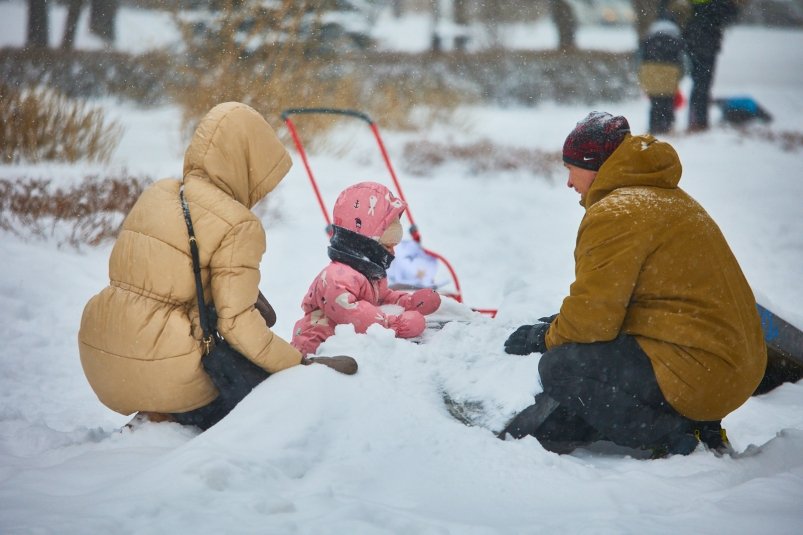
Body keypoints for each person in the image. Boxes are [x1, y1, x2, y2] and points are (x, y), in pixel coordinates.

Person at [499, 112, 766, 457]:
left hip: (700, 374)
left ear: (593, 165)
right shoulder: (665, 197)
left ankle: (678, 435)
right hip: (730, 368)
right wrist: (559, 324)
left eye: (570, 169)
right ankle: (693, 419)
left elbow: (595, 317)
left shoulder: (618, 211)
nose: (568, 182)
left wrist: (544, 338)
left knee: (561, 367)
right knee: (568, 409)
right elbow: (629, 301)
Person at [78, 102, 355, 432]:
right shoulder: (238, 224)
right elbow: (237, 325)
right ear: (247, 163)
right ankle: (172, 411)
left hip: (100, 356)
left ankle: (155, 412)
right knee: (267, 402)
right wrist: (298, 364)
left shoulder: (160, 193)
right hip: (163, 366)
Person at [291, 182, 441, 356]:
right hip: (314, 352)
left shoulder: (369, 274)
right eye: (387, 243)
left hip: (346, 352)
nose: (393, 250)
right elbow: (352, 312)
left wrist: (408, 302)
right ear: (364, 240)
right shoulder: (336, 277)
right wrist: (393, 325)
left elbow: (382, 298)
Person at [683, 0, 741, 131]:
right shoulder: (718, 4)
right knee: (703, 83)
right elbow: (731, 13)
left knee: (697, 82)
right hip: (708, 43)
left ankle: (694, 119)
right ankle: (700, 120)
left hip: (693, 41)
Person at [637, 9, 686, 134]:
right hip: (670, 71)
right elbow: (682, 58)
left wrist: (642, 73)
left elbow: (641, 55)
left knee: (655, 101)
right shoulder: (675, 33)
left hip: (652, 70)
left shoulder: (652, 32)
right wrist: (681, 74)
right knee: (668, 100)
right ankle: (667, 125)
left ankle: (654, 126)